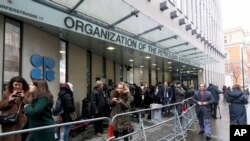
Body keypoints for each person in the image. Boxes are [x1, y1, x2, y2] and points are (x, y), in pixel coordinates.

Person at [0, 76, 31, 141]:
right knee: (8, 138)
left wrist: (23, 97)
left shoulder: (27, 93)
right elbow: (1, 106)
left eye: (19, 85)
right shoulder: (6, 93)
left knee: (19, 137)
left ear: (23, 85)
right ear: (12, 85)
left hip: (21, 121)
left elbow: (29, 104)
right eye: (15, 85)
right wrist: (9, 100)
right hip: (8, 120)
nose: (17, 87)